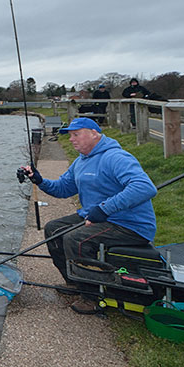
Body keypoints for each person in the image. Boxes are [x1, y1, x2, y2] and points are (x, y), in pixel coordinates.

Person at [20, 117, 157, 314]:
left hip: (129, 224)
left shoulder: (116, 157)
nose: (71, 140)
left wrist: (105, 208)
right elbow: (63, 189)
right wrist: (39, 179)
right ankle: (74, 281)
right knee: (53, 229)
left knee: (76, 239)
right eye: (70, 136)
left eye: (76, 134)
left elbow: (145, 188)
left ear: (94, 133)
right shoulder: (81, 161)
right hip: (98, 218)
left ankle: (92, 297)